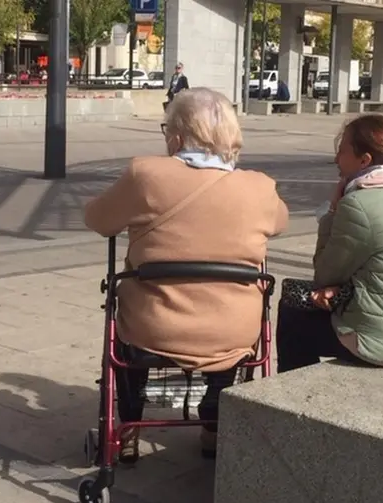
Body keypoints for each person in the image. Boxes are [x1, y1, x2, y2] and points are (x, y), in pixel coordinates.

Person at [84, 87, 288, 463]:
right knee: (230, 332)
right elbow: (280, 223)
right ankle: (213, 421)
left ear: (176, 136)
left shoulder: (146, 174)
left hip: (154, 328)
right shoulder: (260, 187)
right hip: (233, 331)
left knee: (127, 316)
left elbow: (98, 220)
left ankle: (128, 428)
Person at [276, 114, 383, 372]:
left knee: (294, 310)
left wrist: (332, 213)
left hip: (381, 342)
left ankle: (289, 401)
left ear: (364, 160)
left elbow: (323, 272)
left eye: (342, 151)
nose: (335, 159)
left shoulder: (358, 204)